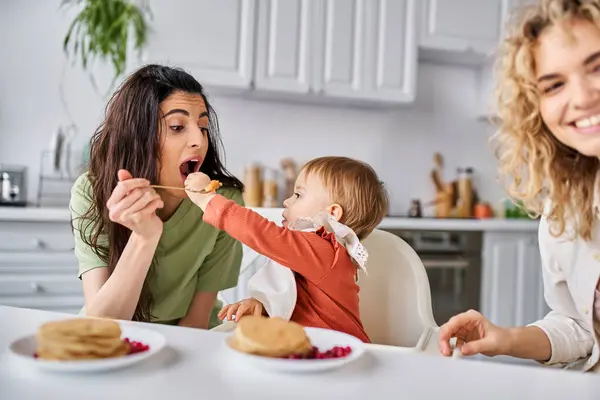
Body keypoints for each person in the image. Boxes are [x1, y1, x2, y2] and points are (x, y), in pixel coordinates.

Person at [438, 0, 600, 372]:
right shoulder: (564, 208)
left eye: (597, 67)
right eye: (554, 84)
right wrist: (505, 338)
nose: (583, 97)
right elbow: (579, 327)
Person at [70, 64, 244, 329]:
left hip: (192, 336)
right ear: (138, 135)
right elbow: (102, 323)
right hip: (106, 330)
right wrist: (145, 236)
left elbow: (195, 322)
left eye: (203, 127)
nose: (199, 140)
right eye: (177, 126)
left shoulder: (223, 202)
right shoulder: (92, 191)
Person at [184, 156, 389, 342]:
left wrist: (208, 200)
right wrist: (262, 307)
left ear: (332, 213)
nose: (286, 201)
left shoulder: (325, 250)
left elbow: (262, 233)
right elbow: (300, 304)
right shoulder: (312, 253)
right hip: (310, 350)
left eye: (298, 195)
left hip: (338, 353)